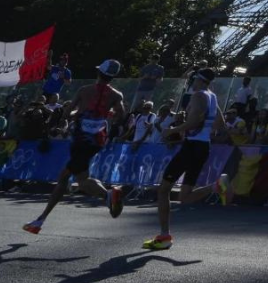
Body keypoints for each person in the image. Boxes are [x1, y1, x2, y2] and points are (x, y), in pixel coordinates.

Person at [22, 59, 126, 235]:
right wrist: (106, 114)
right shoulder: (116, 95)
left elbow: (67, 113)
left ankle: (109, 195)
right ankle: (40, 220)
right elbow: (121, 115)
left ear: (98, 72)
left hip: (81, 138)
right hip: (98, 139)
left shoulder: (84, 90)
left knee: (74, 179)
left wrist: (71, 115)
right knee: (72, 178)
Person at [144, 67, 225, 251]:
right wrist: (203, 131)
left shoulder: (198, 96)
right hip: (203, 146)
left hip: (192, 146)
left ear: (199, 79)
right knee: (185, 197)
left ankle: (165, 236)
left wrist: (172, 130)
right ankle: (216, 186)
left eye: (193, 79)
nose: (191, 82)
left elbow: (194, 122)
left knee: (164, 190)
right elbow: (220, 124)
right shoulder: (213, 97)